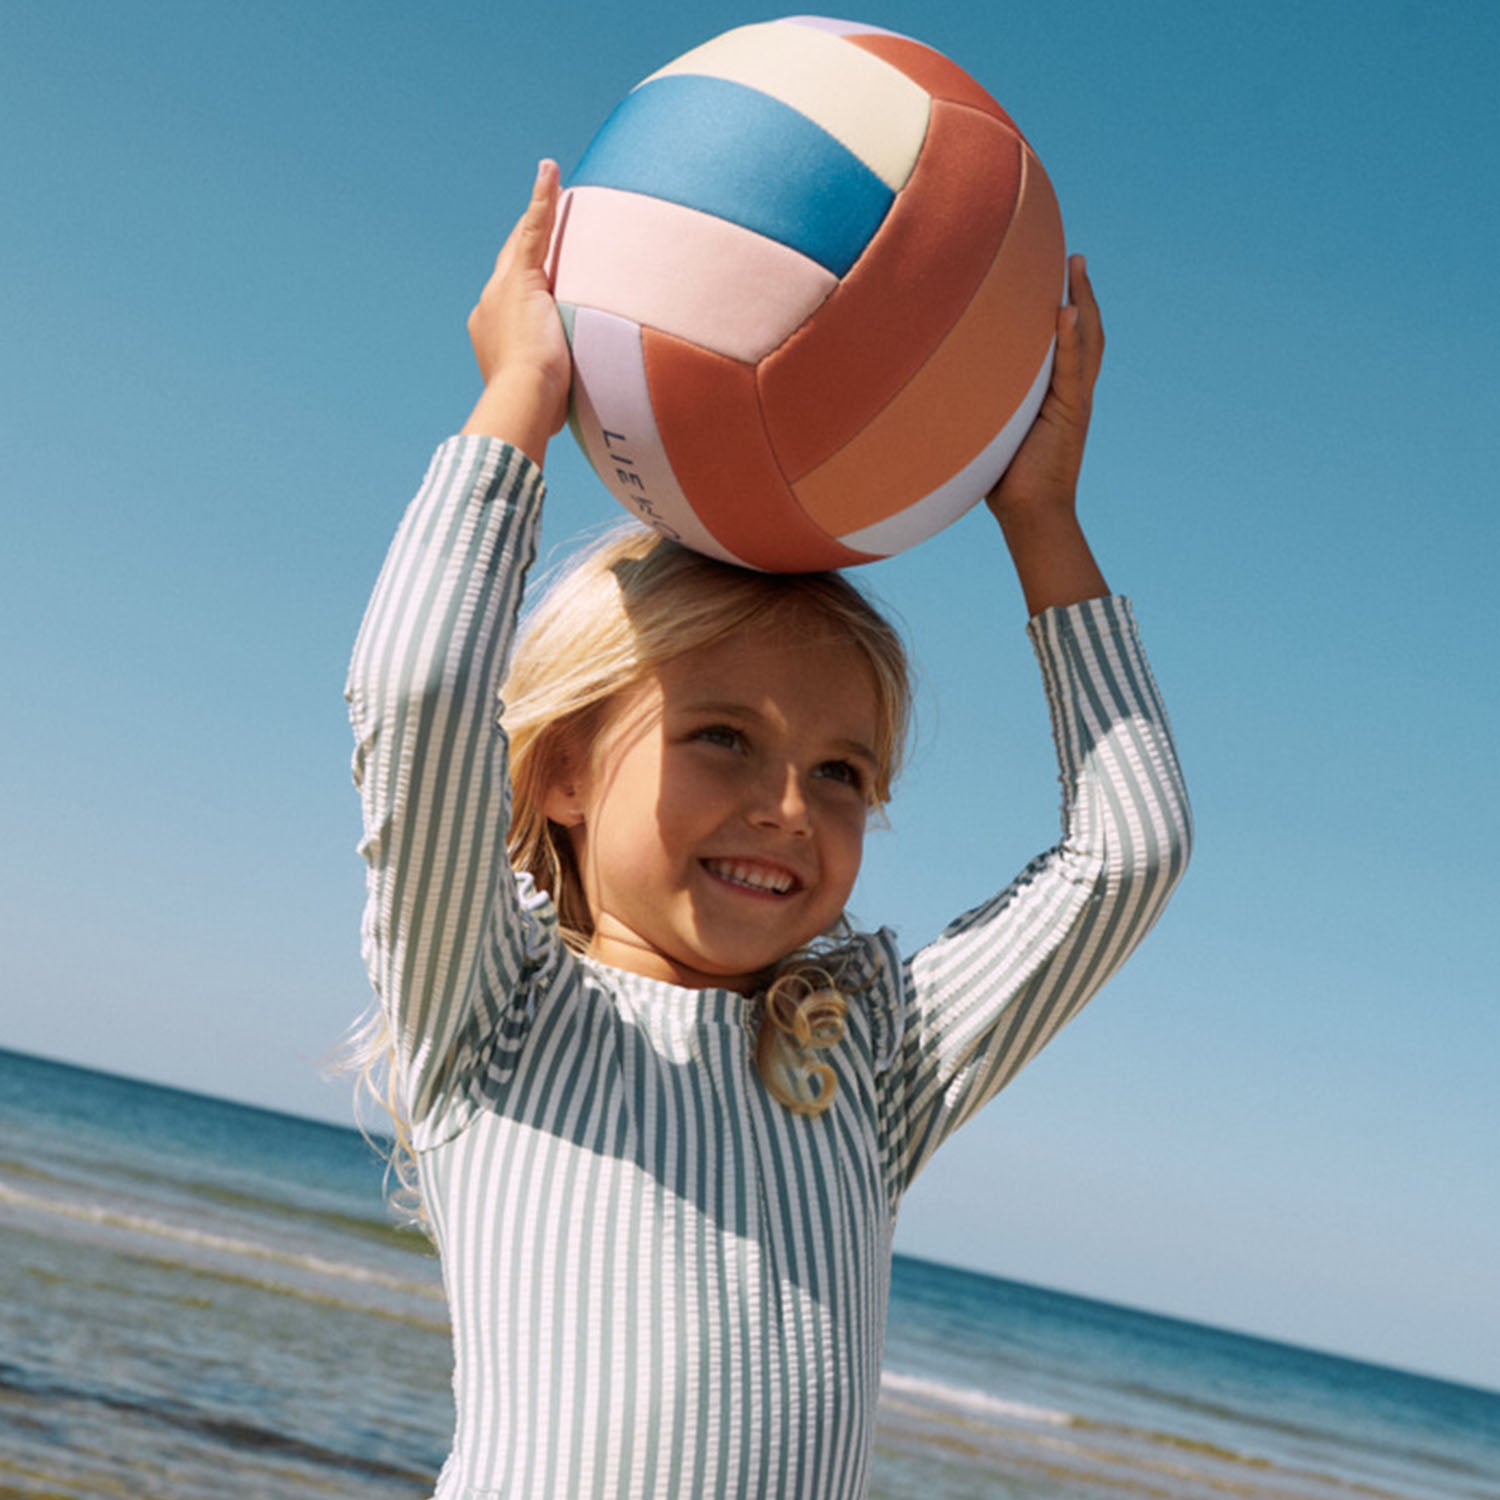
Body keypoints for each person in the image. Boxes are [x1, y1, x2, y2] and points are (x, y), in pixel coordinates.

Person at [345, 159, 1191, 1500]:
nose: (790, 809)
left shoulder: (865, 1064)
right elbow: (418, 693)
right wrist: (520, 394)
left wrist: (1041, 520)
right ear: (563, 767)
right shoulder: (492, 1010)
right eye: (720, 737)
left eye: (845, 772)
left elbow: (1129, 850)